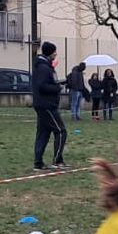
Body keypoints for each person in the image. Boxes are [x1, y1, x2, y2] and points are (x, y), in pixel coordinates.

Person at [31, 41, 68, 171]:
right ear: (50, 52)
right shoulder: (43, 68)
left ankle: (38, 163)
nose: (56, 54)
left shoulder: (44, 66)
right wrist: (57, 88)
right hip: (47, 105)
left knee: (43, 133)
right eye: (54, 52)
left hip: (43, 104)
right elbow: (42, 86)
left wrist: (60, 83)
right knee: (61, 131)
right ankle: (57, 161)